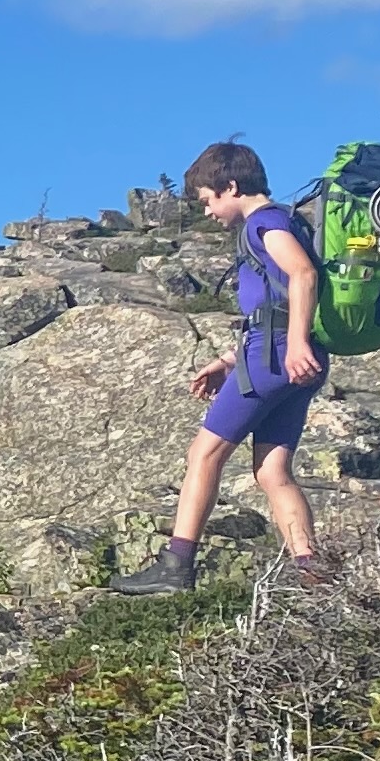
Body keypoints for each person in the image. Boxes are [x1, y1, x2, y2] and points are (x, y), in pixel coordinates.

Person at [112, 140, 326, 595]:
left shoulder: (262, 223)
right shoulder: (287, 220)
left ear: (231, 186)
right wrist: (229, 360)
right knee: (272, 472)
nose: (208, 211)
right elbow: (276, 303)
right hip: (289, 358)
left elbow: (302, 275)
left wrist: (294, 343)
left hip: (276, 355)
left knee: (204, 453)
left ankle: (177, 564)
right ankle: (312, 572)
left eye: (209, 200)